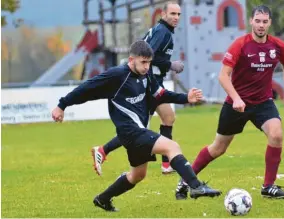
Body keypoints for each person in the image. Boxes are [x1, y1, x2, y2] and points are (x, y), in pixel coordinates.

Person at [52, 40, 221, 212]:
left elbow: (161, 95)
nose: (147, 66)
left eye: (149, 62)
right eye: (143, 62)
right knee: (172, 147)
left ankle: (103, 199)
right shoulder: (117, 75)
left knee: (137, 175)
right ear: (131, 60)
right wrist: (62, 105)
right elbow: (86, 88)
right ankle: (195, 186)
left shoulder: (146, 75)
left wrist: (186, 98)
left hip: (136, 131)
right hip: (130, 132)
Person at [175, 5, 284, 200]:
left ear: (270, 23)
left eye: (265, 21)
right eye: (257, 21)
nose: (261, 25)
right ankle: (185, 179)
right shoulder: (240, 45)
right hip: (235, 104)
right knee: (218, 148)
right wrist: (237, 98)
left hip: (263, 102)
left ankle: (268, 186)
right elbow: (223, 76)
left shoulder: (279, 46)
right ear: (251, 21)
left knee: (277, 134)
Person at [92, 1, 185, 175]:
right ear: (163, 14)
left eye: (178, 14)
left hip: (152, 80)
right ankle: (106, 152)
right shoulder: (163, 32)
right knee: (146, 126)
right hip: (150, 82)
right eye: (172, 14)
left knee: (164, 119)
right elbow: (148, 56)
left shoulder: (160, 30)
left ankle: (165, 164)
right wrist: (170, 64)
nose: (176, 18)